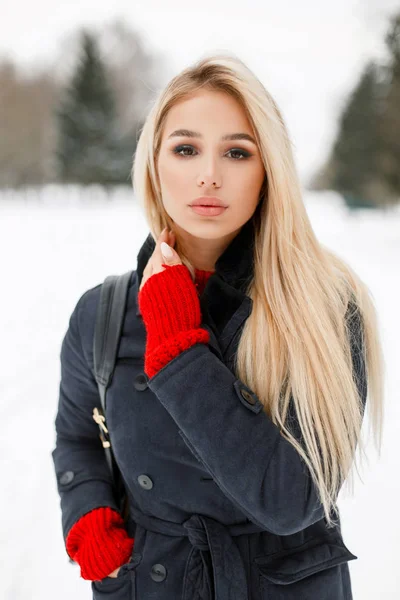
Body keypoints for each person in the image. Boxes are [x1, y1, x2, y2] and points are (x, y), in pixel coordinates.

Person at [51, 53, 385, 599]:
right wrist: (87, 511)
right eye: (186, 149)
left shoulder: (326, 308)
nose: (209, 173)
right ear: (155, 165)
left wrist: (182, 353)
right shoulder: (103, 311)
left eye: (236, 151)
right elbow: (76, 436)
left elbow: (288, 500)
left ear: (268, 169)